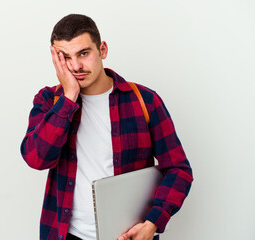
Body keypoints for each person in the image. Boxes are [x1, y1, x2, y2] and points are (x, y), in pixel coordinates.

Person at [20, 14, 193, 240]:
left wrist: (153, 223)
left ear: (102, 50)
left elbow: (179, 169)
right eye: (65, 57)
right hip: (66, 234)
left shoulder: (145, 101)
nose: (76, 66)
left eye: (83, 53)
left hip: (127, 236)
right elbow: (36, 158)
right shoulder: (49, 101)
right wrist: (69, 98)